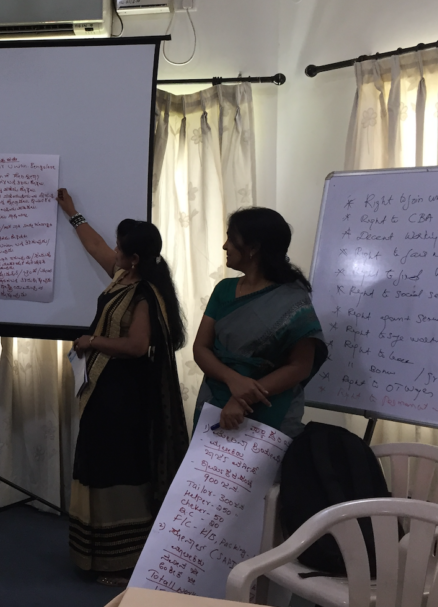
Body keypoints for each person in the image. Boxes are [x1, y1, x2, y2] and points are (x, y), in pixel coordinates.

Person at [56, 189, 188, 586]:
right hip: (108, 391)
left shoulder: (145, 293)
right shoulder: (126, 276)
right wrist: (73, 214)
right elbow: (96, 247)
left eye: (119, 247)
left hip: (124, 397)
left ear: (133, 257)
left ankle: (123, 561)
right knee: (100, 463)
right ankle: (100, 552)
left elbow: (135, 346)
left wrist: (90, 341)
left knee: (117, 467)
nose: (111, 250)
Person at [192, 207, 328, 436]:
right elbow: (200, 348)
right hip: (215, 402)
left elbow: (300, 366)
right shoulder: (224, 290)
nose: (225, 246)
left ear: (253, 248)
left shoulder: (293, 299)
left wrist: (243, 397)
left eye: (231, 239)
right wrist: (233, 380)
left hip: (270, 411)